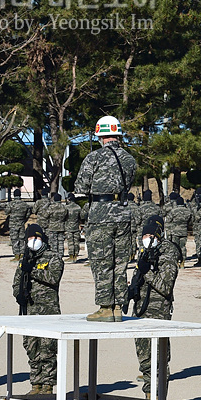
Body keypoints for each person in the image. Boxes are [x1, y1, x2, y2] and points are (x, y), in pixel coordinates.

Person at [73, 115, 138, 322]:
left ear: (100, 135)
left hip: (100, 215)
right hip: (123, 212)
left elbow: (80, 188)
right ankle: (118, 307)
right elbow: (127, 185)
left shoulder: (93, 158)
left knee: (101, 263)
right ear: (118, 134)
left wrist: (85, 209)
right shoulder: (129, 159)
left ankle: (105, 307)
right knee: (120, 263)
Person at [127, 222, 181, 400]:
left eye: (150, 236)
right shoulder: (144, 255)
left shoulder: (167, 258)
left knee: (158, 361)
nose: (146, 239)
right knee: (145, 361)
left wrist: (147, 272)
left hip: (158, 315)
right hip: (141, 314)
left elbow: (166, 287)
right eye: (144, 236)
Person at [12, 224, 63, 395]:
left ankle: (48, 385)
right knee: (31, 347)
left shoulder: (53, 257)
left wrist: (33, 271)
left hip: (49, 311)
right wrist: (19, 294)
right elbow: (16, 282)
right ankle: (35, 384)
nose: (33, 241)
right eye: (30, 239)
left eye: (37, 238)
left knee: (47, 349)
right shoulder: (24, 260)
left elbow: (54, 277)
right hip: (29, 311)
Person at [4, 189, 32, 261]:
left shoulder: (11, 204)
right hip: (21, 223)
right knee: (22, 239)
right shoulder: (24, 204)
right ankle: (22, 254)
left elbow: (6, 212)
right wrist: (23, 220)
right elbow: (28, 214)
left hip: (13, 224)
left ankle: (16, 255)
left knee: (14, 239)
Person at [165, 196, 193, 267]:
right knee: (183, 246)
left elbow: (168, 220)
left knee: (176, 247)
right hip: (184, 231)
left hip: (175, 232)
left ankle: (177, 261)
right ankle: (183, 261)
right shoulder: (187, 211)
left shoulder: (173, 211)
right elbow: (190, 222)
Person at [64, 193, 83, 262]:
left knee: (70, 242)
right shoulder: (78, 207)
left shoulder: (66, 208)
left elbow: (64, 217)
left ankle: (71, 256)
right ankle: (75, 256)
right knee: (76, 242)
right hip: (76, 227)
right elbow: (81, 217)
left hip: (68, 227)